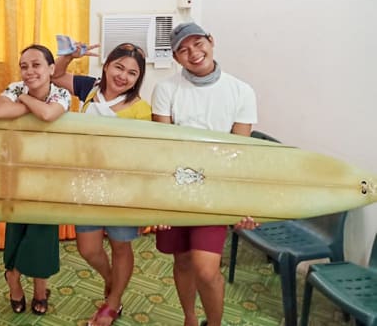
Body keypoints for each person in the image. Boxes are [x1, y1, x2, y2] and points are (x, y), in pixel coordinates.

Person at [151, 22, 259, 326]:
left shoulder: (241, 91)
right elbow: (163, 148)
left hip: (215, 191)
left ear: (211, 41)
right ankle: (189, 317)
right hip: (175, 189)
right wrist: (159, 200)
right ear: (176, 57)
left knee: (206, 268)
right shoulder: (166, 89)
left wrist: (242, 203)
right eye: (183, 50)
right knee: (183, 260)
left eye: (198, 44)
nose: (193, 53)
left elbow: (239, 153)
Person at [53, 41, 151, 326]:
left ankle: (112, 303)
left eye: (132, 73)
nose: (123, 76)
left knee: (121, 247)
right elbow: (56, 76)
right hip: (85, 185)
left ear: (138, 79)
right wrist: (69, 57)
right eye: (119, 67)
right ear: (106, 65)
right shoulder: (89, 88)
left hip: (121, 190)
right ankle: (113, 282)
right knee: (89, 249)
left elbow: (143, 157)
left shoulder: (141, 109)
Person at [0, 44, 71, 316]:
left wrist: (24, 100)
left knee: (42, 235)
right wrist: (30, 103)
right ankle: (13, 281)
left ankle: (40, 290)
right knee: (17, 230)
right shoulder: (15, 87)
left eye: (36, 65)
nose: (28, 71)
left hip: (49, 177)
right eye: (24, 66)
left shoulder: (61, 93)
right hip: (17, 173)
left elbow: (49, 115)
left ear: (51, 68)